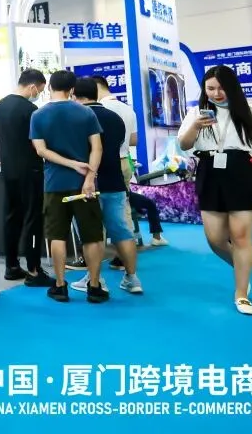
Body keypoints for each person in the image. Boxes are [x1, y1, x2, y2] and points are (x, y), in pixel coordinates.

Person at [177, 65, 252, 316]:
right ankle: (242, 268)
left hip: (242, 173)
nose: (216, 93)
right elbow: (184, 145)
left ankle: (241, 293)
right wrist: (196, 126)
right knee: (215, 239)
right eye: (210, 88)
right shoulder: (195, 113)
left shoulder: (249, 113)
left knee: (241, 237)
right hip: (209, 173)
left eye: (222, 88)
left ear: (233, 88)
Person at [29, 70, 108, 304]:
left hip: (54, 183)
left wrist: (70, 164)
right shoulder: (86, 112)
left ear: (49, 87)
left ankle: (60, 285)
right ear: (72, 89)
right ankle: (94, 286)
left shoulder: (38, 115)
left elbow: (41, 150)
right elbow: (97, 148)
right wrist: (89, 177)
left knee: (57, 235)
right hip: (84, 185)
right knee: (92, 236)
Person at [72, 78, 143, 295]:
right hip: (115, 180)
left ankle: (94, 279)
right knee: (121, 229)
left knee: (93, 233)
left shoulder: (79, 118)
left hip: (88, 183)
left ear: (74, 95)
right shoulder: (115, 117)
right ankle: (132, 278)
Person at [92, 76, 168, 248]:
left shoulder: (99, 110)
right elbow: (134, 140)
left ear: (96, 87)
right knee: (123, 205)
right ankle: (127, 248)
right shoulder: (127, 109)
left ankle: (99, 252)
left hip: (105, 163)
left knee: (99, 207)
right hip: (125, 161)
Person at [0, 69, 51, 286]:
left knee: (11, 217)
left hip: (8, 170)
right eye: (40, 90)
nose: (39, 94)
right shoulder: (31, 110)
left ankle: (12, 266)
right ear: (33, 86)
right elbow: (39, 143)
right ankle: (34, 269)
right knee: (33, 219)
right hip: (30, 170)